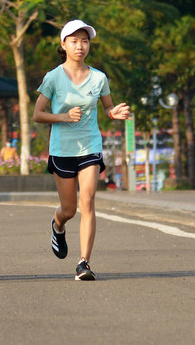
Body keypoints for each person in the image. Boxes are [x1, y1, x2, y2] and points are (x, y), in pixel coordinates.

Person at [33, 20, 130, 281]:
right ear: (63, 45)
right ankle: (57, 225)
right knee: (69, 210)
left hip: (90, 147)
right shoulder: (53, 77)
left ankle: (84, 262)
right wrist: (63, 117)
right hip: (62, 150)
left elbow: (108, 108)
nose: (80, 46)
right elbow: (38, 114)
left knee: (87, 202)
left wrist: (115, 113)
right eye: (74, 41)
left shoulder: (99, 78)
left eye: (85, 41)